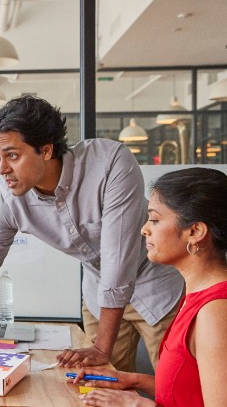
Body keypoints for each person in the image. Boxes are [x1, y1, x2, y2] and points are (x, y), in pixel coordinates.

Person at [0, 94, 184, 371]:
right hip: (100, 294)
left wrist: (101, 348)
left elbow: (117, 259)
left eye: (12, 155)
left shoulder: (109, 163)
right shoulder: (12, 203)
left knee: (178, 389)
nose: (2, 169)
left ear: (46, 150)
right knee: (100, 388)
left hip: (157, 286)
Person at [71, 167, 227, 407]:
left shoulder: (215, 312)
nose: (145, 229)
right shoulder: (195, 296)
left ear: (195, 232)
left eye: (154, 219)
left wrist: (136, 404)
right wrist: (133, 380)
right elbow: (190, 391)